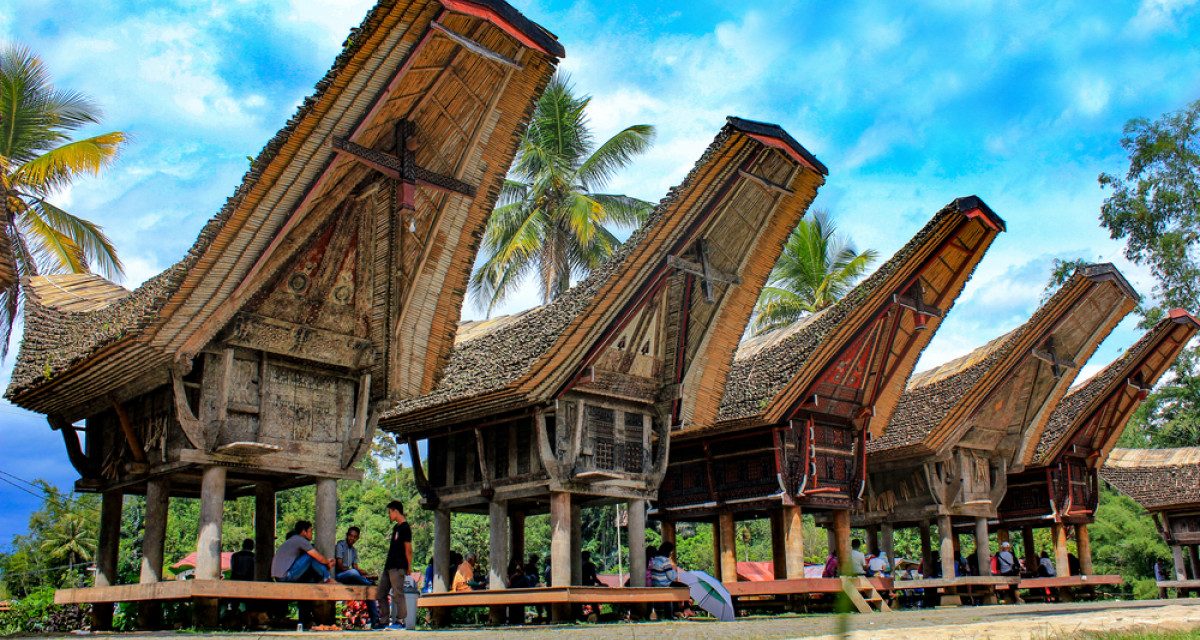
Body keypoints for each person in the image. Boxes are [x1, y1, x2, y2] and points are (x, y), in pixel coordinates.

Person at [377, 500, 413, 630]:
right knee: (381, 593)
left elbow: (408, 549)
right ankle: (384, 621)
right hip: (389, 566)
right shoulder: (396, 528)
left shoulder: (405, 528)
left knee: (398, 593)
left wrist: (409, 566)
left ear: (395, 511)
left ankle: (400, 621)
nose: (389, 515)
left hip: (398, 566)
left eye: (389, 512)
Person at [334, 527, 378, 628]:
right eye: (350, 536)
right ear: (347, 535)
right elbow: (340, 565)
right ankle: (368, 582)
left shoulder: (354, 550)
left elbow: (355, 567)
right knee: (354, 573)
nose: (352, 538)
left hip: (351, 577)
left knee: (369, 590)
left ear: (357, 538)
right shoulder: (340, 545)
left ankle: (375, 621)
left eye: (355, 537)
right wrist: (355, 571)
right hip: (340, 576)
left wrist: (363, 572)